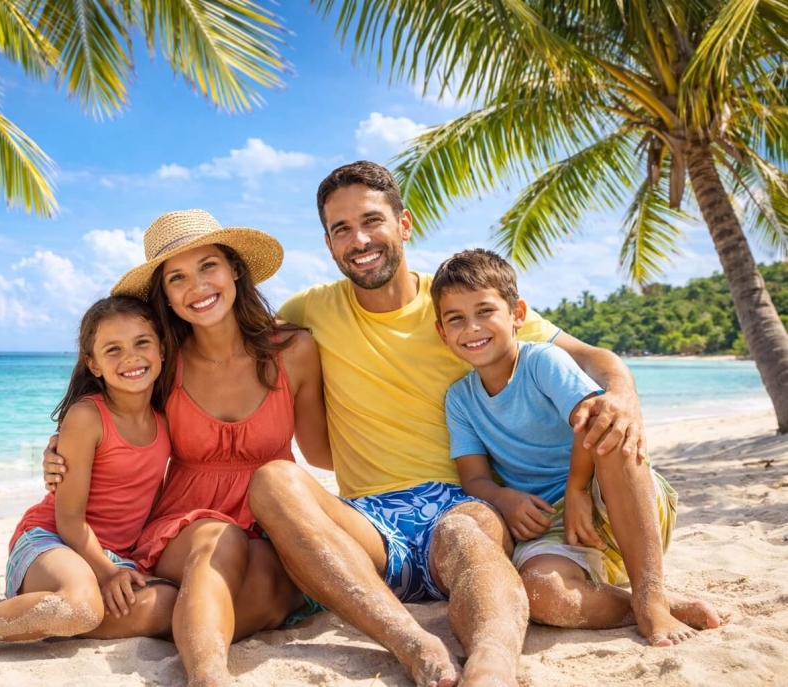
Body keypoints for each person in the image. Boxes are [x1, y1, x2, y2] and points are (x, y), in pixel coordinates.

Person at [246, 161, 654, 687]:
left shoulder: (460, 304)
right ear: (328, 244)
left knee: (465, 530)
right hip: (370, 520)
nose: (359, 239)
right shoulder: (310, 311)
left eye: (372, 220)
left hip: (463, 499)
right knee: (273, 479)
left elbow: (591, 358)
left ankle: (492, 666)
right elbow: (232, 354)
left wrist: (622, 394)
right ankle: (414, 643)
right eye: (341, 229)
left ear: (404, 224)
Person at [45, 209, 330, 687]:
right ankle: (208, 678)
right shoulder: (164, 357)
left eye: (208, 266)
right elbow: (108, 410)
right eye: (177, 277)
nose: (197, 286)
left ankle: (89, 619)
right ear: (166, 296)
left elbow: (324, 453)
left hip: (273, 513)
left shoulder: (294, 349)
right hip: (186, 520)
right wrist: (60, 449)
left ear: (235, 268)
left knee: (262, 595)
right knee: (216, 544)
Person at [433, 248, 720, 647]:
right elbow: (474, 478)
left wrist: (578, 487)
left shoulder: (543, 362)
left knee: (610, 429)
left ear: (517, 314)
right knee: (540, 594)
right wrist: (505, 498)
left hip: (619, 501)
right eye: (456, 319)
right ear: (441, 333)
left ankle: (652, 596)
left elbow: (590, 421)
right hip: (556, 531)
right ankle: (639, 602)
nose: (472, 327)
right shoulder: (460, 399)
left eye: (485, 311)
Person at [0, 296, 178, 673]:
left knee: (169, 605)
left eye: (142, 342)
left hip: (113, 556)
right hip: (52, 541)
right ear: (94, 364)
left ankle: (56, 619)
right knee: (80, 605)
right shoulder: (88, 416)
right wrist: (106, 572)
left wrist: (115, 567)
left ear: (162, 349)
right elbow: (69, 520)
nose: (131, 357)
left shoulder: (166, 421)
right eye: (113, 349)